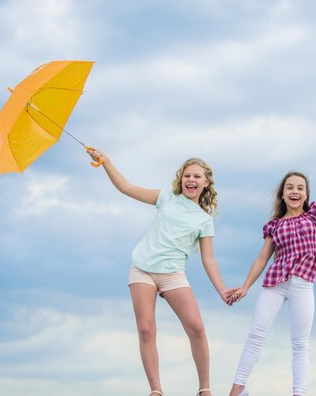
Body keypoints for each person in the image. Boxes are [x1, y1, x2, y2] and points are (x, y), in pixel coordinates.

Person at [87, 148, 235, 396]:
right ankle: (156, 390)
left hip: (173, 274)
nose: (191, 180)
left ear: (206, 183)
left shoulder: (203, 220)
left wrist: (221, 290)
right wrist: (106, 162)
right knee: (146, 329)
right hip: (143, 269)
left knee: (196, 328)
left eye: (197, 177)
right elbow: (125, 187)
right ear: (181, 179)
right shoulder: (166, 198)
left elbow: (208, 259)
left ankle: (205, 389)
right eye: (187, 175)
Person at [228, 148, 316, 396]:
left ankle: (299, 392)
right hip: (275, 282)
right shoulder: (275, 225)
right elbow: (263, 257)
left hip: (303, 285)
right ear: (282, 194)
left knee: (300, 343)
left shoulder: (315, 215)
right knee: (256, 334)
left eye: (300, 188)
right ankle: (238, 389)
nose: (295, 191)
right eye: (290, 187)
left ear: (306, 195)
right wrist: (245, 286)